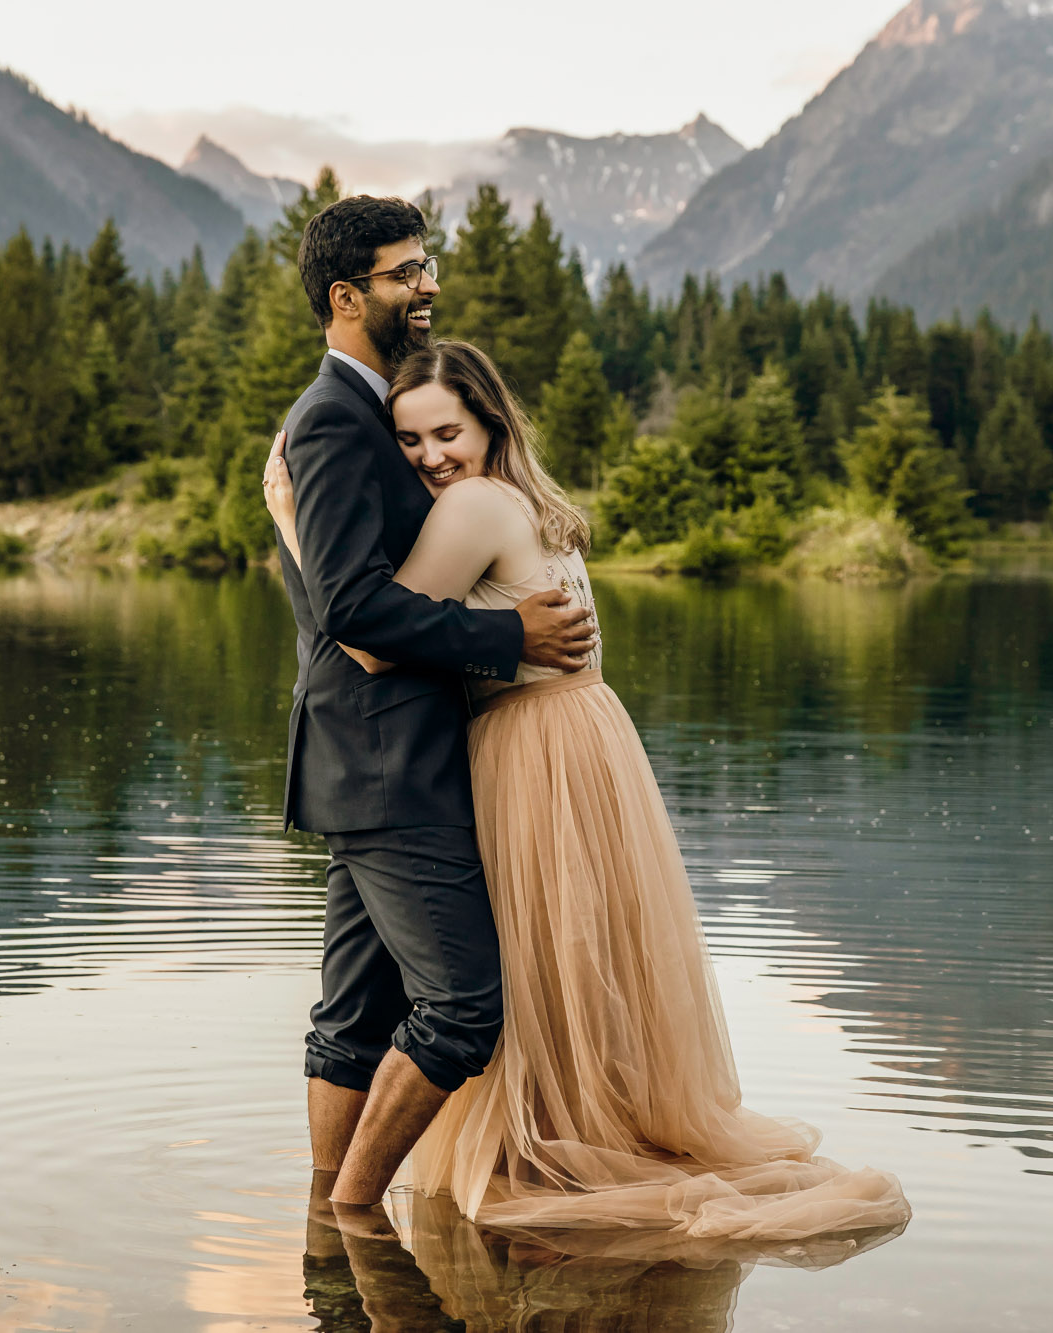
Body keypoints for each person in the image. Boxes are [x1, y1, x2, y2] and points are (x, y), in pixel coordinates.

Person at [265, 337, 911, 1243]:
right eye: (408, 442)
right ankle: (396, 1203)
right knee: (563, 976)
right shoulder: (532, 500)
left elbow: (367, 635)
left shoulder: (475, 507)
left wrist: (295, 532)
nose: (428, 457)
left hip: (532, 754)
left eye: (445, 431)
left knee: (491, 994)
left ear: (489, 422)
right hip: (584, 743)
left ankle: (349, 1215)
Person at [272, 196, 599, 1221]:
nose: (427, 287)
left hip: (376, 756)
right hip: (387, 764)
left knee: (355, 1015)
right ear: (345, 294)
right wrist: (513, 638)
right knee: (461, 1009)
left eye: (426, 267)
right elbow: (354, 609)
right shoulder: (331, 418)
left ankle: (331, 1228)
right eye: (405, 272)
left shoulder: (371, 415)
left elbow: (347, 583)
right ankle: (355, 1217)